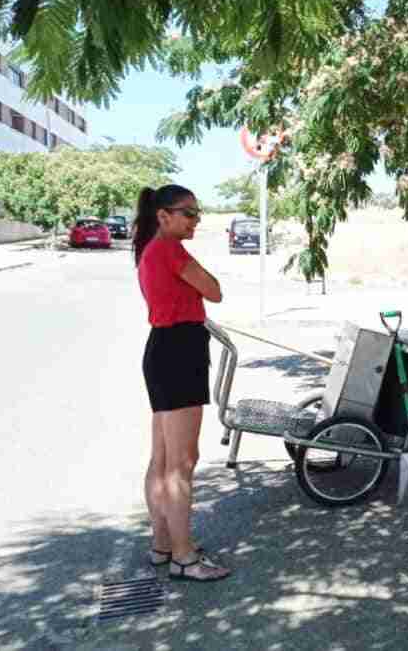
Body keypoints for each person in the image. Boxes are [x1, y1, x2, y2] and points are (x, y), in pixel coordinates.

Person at [133, 184, 230, 582]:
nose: (195, 220)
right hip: (178, 353)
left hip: (165, 350)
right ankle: (184, 557)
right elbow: (215, 290)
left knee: (162, 459)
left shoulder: (150, 249)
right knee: (182, 463)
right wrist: (199, 283)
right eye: (187, 213)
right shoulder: (170, 249)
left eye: (197, 212)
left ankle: (163, 545)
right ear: (163, 216)